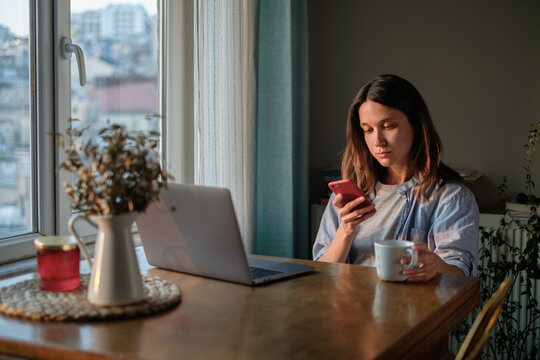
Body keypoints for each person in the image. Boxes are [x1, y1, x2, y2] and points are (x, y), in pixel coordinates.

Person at [312, 74, 479, 282]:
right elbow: (322, 274)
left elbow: (459, 272)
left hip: (410, 312)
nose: (377, 141)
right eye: (368, 130)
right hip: (350, 311)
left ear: (416, 124)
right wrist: (345, 231)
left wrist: (436, 266)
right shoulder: (352, 194)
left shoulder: (450, 196)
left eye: (389, 126)